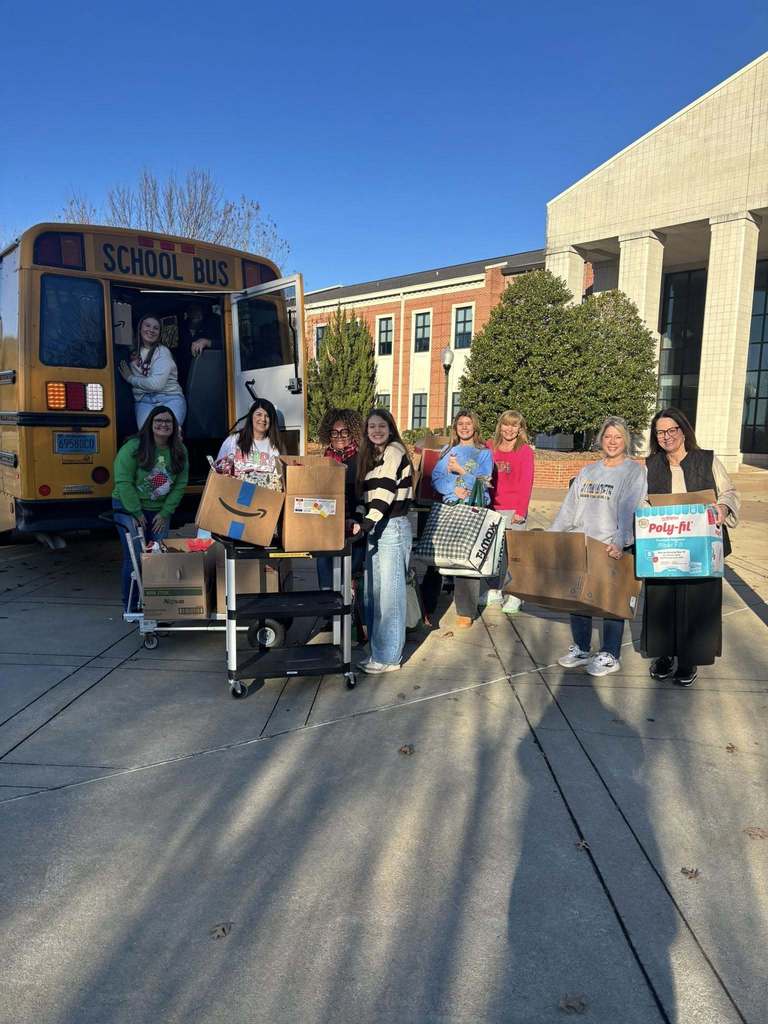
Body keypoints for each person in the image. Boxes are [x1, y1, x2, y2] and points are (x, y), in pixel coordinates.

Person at [642, 407, 739, 687]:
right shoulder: (651, 465)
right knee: (663, 602)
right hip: (664, 545)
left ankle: (689, 660)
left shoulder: (706, 460)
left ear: (683, 431)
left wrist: (722, 507)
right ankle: (664, 656)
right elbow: (642, 500)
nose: (666, 436)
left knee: (696, 603)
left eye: (672, 430)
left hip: (701, 546)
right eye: (660, 431)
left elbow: (729, 491)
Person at [551, 415, 647, 677]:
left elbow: (632, 509)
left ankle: (610, 654)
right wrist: (552, 535)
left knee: (610, 603)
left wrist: (621, 541)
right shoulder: (589, 471)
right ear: (601, 440)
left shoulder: (633, 471)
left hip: (610, 547)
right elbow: (570, 508)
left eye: (618, 437)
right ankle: (582, 648)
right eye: (608, 437)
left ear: (625, 440)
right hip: (582, 544)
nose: (612, 442)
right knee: (579, 599)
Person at [352, 410, 414, 674]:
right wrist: (357, 518)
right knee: (376, 595)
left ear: (390, 427)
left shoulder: (394, 451)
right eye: (371, 427)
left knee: (391, 597)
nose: (376, 430)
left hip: (392, 527)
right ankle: (379, 652)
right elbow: (365, 498)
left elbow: (386, 490)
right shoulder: (372, 458)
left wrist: (366, 523)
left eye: (381, 426)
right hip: (378, 528)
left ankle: (389, 658)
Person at [112, 406, 189, 612]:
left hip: (159, 510)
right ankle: (132, 605)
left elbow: (181, 484)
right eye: (159, 421)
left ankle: (156, 606)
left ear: (174, 426)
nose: (163, 425)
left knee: (157, 557)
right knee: (136, 557)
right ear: (150, 424)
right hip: (128, 508)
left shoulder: (179, 451)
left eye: (168, 421)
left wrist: (165, 513)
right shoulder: (133, 447)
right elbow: (123, 481)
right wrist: (135, 512)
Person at [431, 410, 494, 627]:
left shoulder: (484, 453)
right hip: (451, 506)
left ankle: (466, 610)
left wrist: (459, 471)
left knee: (467, 559)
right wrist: (455, 488)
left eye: (468, 423)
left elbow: (484, 480)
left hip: (473, 508)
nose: (464, 427)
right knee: (438, 557)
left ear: (475, 427)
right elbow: (437, 479)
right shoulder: (448, 451)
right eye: (460, 423)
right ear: (455, 427)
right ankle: (428, 606)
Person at [485, 410, 535, 613]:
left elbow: (526, 482)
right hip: (492, 507)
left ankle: (515, 594)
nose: (509, 429)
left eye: (514, 425)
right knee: (494, 553)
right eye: (506, 424)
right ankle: (495, 589)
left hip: (514, 509)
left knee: (515, 554)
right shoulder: (490, 447)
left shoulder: (525, 451)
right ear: (500, 426)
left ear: (520, 429)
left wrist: (521, 511)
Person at [316, 408, 365, 590]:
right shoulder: (324, 460)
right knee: (325, 567)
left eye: (344, 431)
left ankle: (349, 611)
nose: (339, 436)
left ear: (352, 433)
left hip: (354, 524)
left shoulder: (361, 459)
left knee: (350, 578)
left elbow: (365, 495)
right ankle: (328, 610)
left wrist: (358, 518)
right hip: (327, 523)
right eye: (334, 432)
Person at [119, 314, 186, 429]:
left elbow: (156, 384)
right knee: (146, 436)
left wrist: (131, 379)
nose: (151, 330)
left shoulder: (162, 352)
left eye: (156, 328)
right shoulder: (132, 351)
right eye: (147, 326)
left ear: (160, 333)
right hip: (144, 400)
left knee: (169, 433)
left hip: (169, 398)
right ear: (140, 329)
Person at [214, 398, 284, 490]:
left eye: (267, 416)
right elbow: (218, 471)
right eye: (259, 414)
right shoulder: (233, 440)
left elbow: (279, 481)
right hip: (233, 494)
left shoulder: (275, 447)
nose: (263, 419)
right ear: (251, 416)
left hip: (263, 498)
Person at [176, 302, 221, 391]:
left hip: (209, 377)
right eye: (192, 310)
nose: (196, 313)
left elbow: (230, 344)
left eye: (198, 309)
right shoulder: (181, 327)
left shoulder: (213, 324)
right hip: (182, 377)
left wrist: (207, 342)